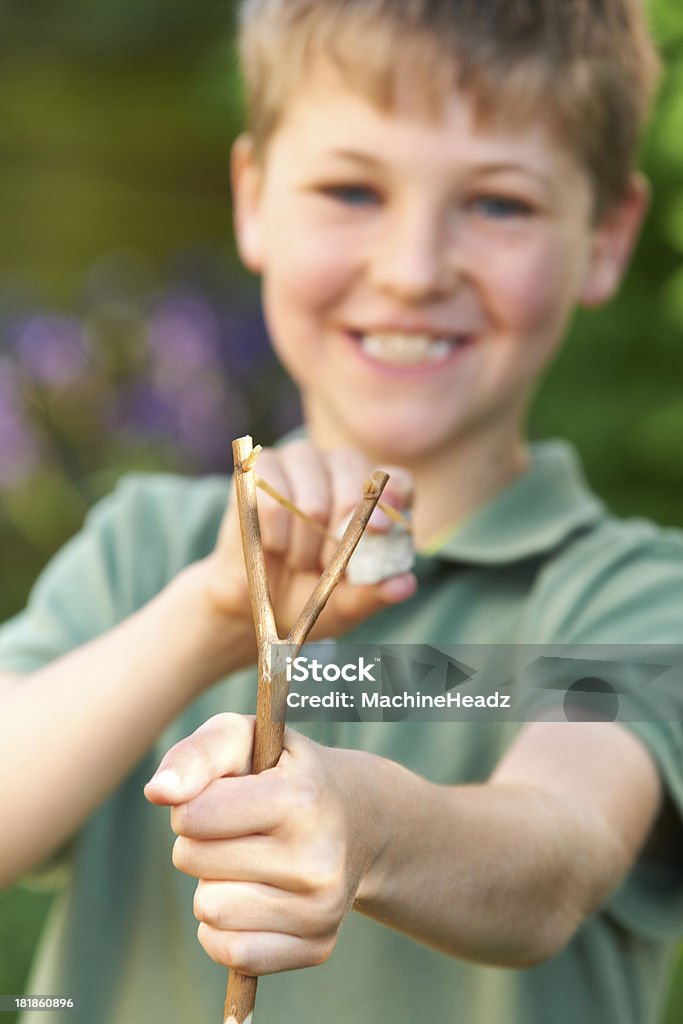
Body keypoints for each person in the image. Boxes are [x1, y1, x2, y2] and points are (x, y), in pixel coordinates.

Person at [1, 1, 681, 1022]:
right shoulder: (145, 552)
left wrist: (367, 827)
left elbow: (560, 849)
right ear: (252, 198)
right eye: (350, 188)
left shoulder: (633, 593)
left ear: (604, 236)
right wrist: (206, 621)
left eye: (497, 204)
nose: (411, 269)